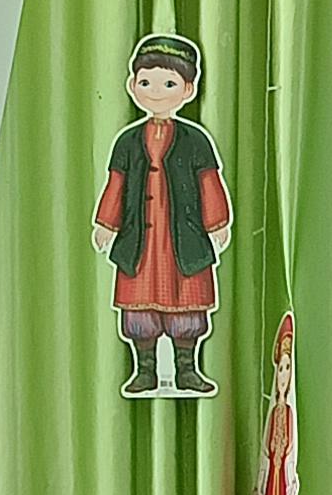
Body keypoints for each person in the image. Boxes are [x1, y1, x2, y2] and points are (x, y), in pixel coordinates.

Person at [94, 30, 231, 401]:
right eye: (146, 82)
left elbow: (209, 184)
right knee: (140, 311)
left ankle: (187, 369)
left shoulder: (196, 140)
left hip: (181, 242)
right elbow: (116, 185)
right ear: (132, 85)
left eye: (168, 83)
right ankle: (145, 369)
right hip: (141, 242)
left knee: (187, 309)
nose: (156, 92)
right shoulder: (127, 142)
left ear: (188, 90)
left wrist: (216, 223)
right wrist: (106, 224)